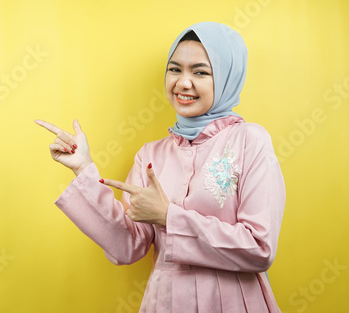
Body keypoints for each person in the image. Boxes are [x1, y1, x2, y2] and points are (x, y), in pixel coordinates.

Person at [35, 21, 285, 312]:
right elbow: (128, 245)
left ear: (228, 77)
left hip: (232, 301)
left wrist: (170, 217)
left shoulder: (249, 141)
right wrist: (84, 170)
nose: (182, 83)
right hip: (167, 302)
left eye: (200, 72)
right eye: (175, 69)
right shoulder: (151, 155)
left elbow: (259, 248)